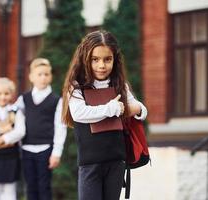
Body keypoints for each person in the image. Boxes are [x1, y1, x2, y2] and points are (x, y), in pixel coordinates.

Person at [61, 30, 148, 200]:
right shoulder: (77, 86)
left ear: (115, 60)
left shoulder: (119, 84)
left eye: (107, 59)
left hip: (116, 160)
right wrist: (111, 109)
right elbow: (79, 114)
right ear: (85, 58)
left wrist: (135, 109)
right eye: (95, 59)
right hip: (90, 162)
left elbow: (141, 109)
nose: (102, 65)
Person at [14, 58, 67, 200]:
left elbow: (60, 126)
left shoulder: (56, 100)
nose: (43, 78)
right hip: (26, 149)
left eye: (46, 74)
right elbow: (14, 119)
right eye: (39, 74)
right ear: (31, 76)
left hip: (46, 149)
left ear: (50, 76)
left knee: (44, 187)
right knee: (30, 187)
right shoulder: (23, 99)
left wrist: (56, 152)